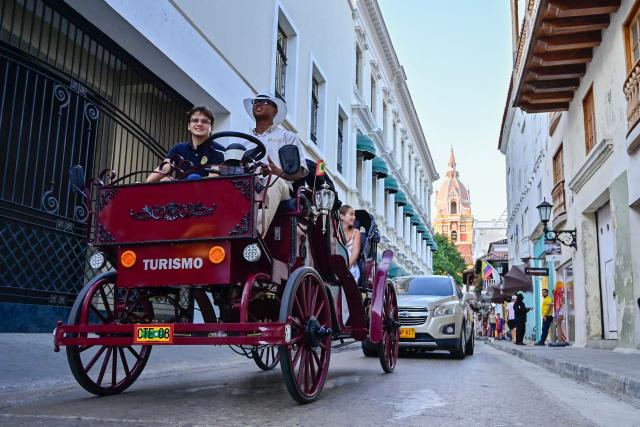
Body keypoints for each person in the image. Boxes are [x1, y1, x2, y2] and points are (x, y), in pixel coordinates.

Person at [243, 91, 308, 235]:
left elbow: (301, 171)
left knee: (272, 181)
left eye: (265, 102)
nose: (259, 103)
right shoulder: (243, 140)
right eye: (256, 102)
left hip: (280, 186)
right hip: (249, 185)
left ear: (275, 110)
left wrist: (278, 172)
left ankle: (255, 236)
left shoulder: (288, 137)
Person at [146, 106, 223, 182]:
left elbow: (212, 181)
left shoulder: (219, 150)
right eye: (195, 120)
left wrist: (176, 182)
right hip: (179, 193)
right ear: (189, 126)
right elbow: (163, 170)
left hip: (204, 193)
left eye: (204, 121)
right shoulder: (178, 148)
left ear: (212, 127)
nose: (199, 124)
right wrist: (145, 183)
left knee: (194, 177)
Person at [339, 205, 361, 282]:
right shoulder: (336, 231)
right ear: (342, 216)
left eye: (354, 215)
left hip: (350, 268)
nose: (354, 217)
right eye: (351, 214)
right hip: (336, 266)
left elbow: (355, 254)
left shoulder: (356, 232)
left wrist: (345, 269)